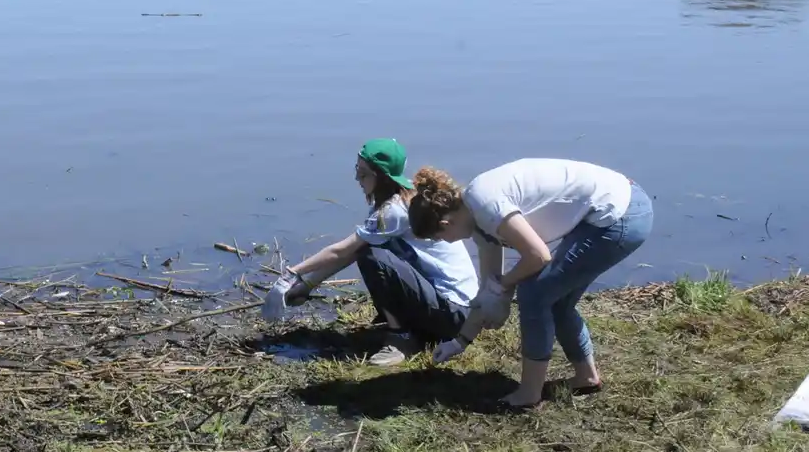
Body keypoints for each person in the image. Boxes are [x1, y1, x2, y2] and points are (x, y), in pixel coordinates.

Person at [407, 159, 654, 409]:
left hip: (622, 214)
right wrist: (459, 342)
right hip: (613, 209)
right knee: (555, 299)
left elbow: (537, 256)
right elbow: (489, 290)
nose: (447, 243)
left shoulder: (486, 205)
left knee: (535, 294)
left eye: (439, 238)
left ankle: (528, 394)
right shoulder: (477, 221)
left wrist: (506, 284)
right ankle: (586, 378)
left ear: (445, 224)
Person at [263, 139, 479, 365]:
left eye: (364, 173)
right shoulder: (401, 199)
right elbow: (350, 251)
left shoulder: (395, 211)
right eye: (357, 170)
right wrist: (307, 286)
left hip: (455, 314)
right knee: (368, 249)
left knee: (372, 256)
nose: (357, 178)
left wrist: (290, 275)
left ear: (382, 176)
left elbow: (343, 250)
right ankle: (408, 325)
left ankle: (402, 338)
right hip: (452, 308)